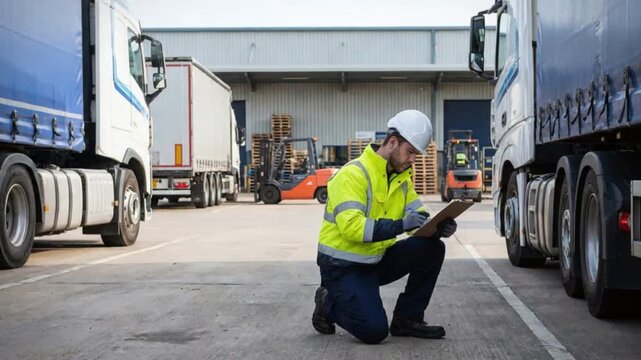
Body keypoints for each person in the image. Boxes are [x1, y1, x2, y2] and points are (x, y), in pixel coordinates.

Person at [312, 109, 457, 344]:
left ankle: (407, 319)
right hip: (342, 268)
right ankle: (327, 301)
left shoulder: (401, 179)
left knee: (432, 247)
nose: (413, 159)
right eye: (410, 152)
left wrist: (438, 227)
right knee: (374, 331)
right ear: (392, 142)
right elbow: (353, 228)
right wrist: (401, 225)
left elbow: (416, 215)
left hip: (374, 260)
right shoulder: (352, 175)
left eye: (416, 155)